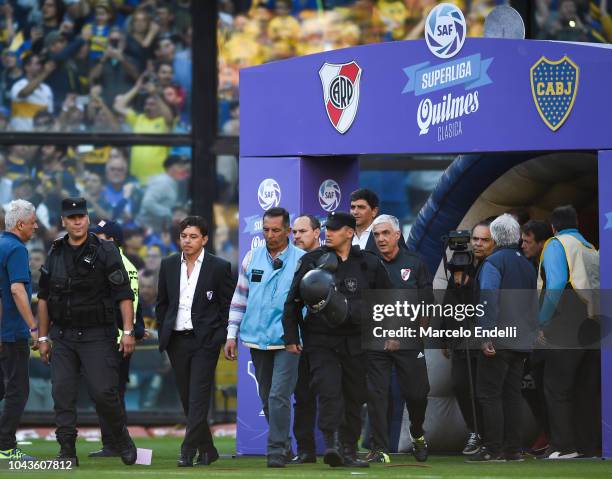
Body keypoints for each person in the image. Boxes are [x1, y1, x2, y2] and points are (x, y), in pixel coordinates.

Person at [283, 211, 392, 468]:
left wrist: (389, 331)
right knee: (329, 391)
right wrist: (290, 336)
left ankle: (349, 450)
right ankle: (331, 445)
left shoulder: (369, 263)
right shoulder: (312, 260)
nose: (328, 233)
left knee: (354, 396)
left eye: (334, 229)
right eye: (326, 228)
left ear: (349, 232)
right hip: (321, 341)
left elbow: (388, 300)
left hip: (357, 341)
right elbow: (293, 302)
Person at [36, 197, 137, 466]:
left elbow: (123, 294)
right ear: (63, 221)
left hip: (97, 334)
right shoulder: (55, 252)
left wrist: (128, 331)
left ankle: (121, 438)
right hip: (64, 335)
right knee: (62, 394)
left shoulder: (105, 250)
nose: (77, 221)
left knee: (104, 392)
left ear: (88, 219)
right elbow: (44, 298)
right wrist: (43, 337)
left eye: (81, 216)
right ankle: (67, 449)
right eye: (72, 217)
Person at [224, 207, 305, 468]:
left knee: (278, 395)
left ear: (288, 231)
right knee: (267, 396)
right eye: (266, 229)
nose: (270, 235)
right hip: (256, 337)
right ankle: (285, 445)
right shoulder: (251, 257)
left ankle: (276, 450)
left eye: (276, 230)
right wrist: (231, 334)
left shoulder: (303, 260)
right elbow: (240, 298)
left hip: (288, 338)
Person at [157, 216, 234, 467]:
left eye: (192, 237)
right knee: (186, 397)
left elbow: (227, 306)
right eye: (183, 236)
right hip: (177, 340)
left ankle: (187, 449)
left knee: (198, 397)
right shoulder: (168, 265)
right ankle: (208, 449)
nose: (187, 241)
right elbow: (162, 304)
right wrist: (164, 333)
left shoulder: (219, 267)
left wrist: (219, 337)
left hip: (205, 342)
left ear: (205, 239)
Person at [468, 214, 537, 462]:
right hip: (521, 340)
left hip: (498, 340)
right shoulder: (528, 265)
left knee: (489, 394)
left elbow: (489, 298)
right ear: (517, 236)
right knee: (512, 395)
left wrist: (485, 334)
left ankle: (493, 449)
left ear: (495, 237)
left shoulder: (494, 262)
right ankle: (513, 450)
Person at [366, 214, 432, 463]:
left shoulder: (415, 262)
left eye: (385, 233)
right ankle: (380, 448)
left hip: (408, 338)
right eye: (376, 235)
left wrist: (420, 334)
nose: (380, 239)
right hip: (376, 339)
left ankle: (417, 434)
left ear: (397, 235)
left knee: (417, 394)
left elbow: (426, 301)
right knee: (377, 394)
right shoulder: (368, 262)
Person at [537, 205, 601, 459]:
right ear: (577, 223)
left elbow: (554, 285)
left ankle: (564, 446)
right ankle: (587, 447)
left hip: (567, 322)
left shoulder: (556, 244)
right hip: (594, 324)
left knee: (556, 387)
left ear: (553, 227)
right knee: (586, 390)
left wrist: (541, 320)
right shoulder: (591, 248)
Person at [89, 219, 145, 458]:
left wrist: (127, 332)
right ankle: (114, 443)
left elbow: (123, 303)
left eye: (99, 237)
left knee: (108, 394)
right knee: (111, 393)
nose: (94, 240)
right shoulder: (126, 263)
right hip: (121, 337)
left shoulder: (114, 262)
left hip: (113, 339)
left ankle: (115, 444)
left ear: (112, 240)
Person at [445, 218, 495, 456]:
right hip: (461, 338)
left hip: (488, 339)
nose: (478, 244)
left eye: (484, 240)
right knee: (460, 384)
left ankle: (491, 437)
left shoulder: (495, 266)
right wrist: (446, 336)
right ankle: (475, 430)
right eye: (475, 239)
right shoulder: (458, 264)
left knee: (485, 390)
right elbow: (448, 303)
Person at [0, 200, 39, 461]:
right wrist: (33, 326)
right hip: (12, 333)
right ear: (21, 224)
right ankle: (5, 446)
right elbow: (16, 290)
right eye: (33, 222)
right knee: (17, 390)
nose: (36, 226)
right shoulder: (16, 249)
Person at [519, 219, 553, 454]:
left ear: (542, 243)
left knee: (546, 388)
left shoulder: (549, 264)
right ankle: (549, 434)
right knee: (532, 387)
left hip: (547, 338)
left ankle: (554, 437)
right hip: (530, 337)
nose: (522, 245)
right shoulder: (528, 262)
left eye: (527, 241)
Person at [290, 214, 320, 464]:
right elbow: (289, 304)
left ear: (317, 232)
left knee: (337, 394)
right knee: (303, 398)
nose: (297, 236)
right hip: (302, 340)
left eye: (302, 231)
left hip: (332, 341)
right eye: (295, 232)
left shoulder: (332, 259)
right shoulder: (295, 261)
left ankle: (342, 446)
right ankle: (306, 449)